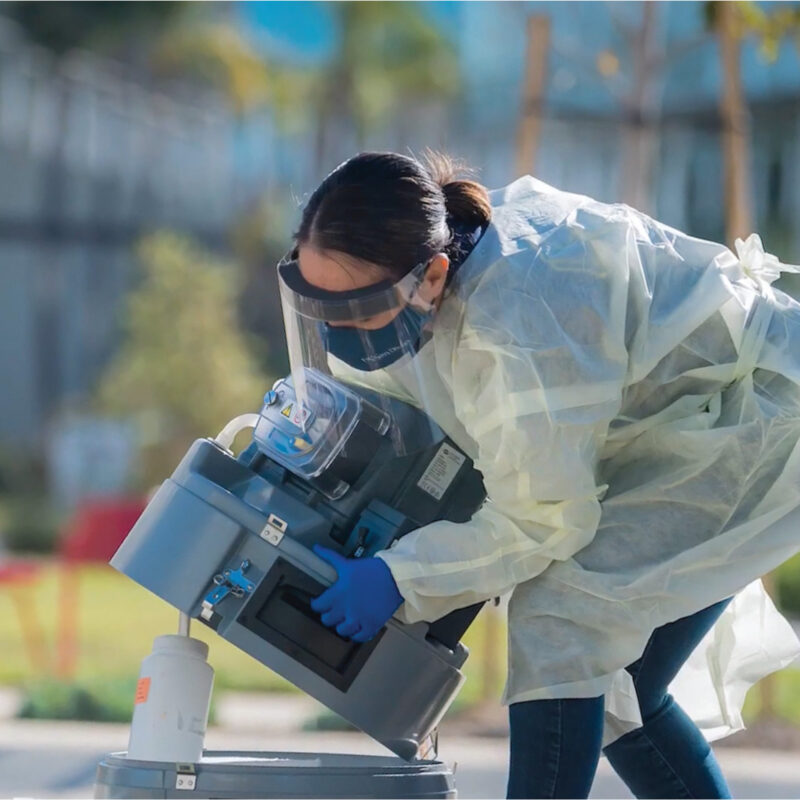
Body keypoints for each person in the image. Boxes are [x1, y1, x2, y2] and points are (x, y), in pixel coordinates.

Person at [275, 150, 800, 799]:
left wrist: (400, 576)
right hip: (672, 428)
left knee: (561, 624)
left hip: (760, 420)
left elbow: (546, 519)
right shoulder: (440, 277)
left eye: (357, 307)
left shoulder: (521, 327)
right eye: (319, 302)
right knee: (615, 688)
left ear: (432, 275)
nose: (337, 327)